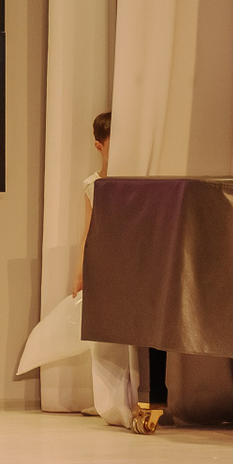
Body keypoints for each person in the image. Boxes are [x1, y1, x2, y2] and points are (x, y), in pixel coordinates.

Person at [76, 111, 154, 434]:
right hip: (104, 267)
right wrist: (80, 272)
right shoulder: (93, 185)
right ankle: (113, 405)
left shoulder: (134, 182)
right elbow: (88, 231)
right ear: (99, 145)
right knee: (105, 340)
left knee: (131, 339)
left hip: (130, 267)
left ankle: (135, 401)